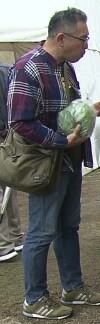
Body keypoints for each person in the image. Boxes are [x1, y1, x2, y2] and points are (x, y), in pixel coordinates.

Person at [7, 8, 100, 319]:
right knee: (41, 231)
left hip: (69, 160)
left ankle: (73, 287)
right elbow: (20, 122)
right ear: (62, 37)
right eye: (84, 39)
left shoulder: (64, 67)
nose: (86, 45)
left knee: (68, 226)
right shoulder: (29, 68)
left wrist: (91, 110)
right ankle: (34, 298)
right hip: (46, 162)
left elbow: (65, 111)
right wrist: (60, 141)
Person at [0, 63, 24, 263]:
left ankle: (3, 245)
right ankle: (15, 237)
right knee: (9, 188)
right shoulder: (8, 70)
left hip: (3, 134)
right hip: (9, 137)